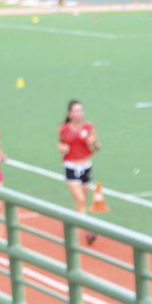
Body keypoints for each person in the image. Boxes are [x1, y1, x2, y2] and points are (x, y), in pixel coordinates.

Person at [56, 99, 101, 245]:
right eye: (75, 110)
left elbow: (97, 148)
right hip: (71, 167)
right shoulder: (64, 129)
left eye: (80, 110)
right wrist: (61, 148)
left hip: (86, 167)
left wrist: (92, 143)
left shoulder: (89, 127)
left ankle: (75, 227)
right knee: (81, 201)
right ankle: (85, 232)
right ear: (70, 113)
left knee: (81, 203)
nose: (78, 113)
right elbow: (60, 143)